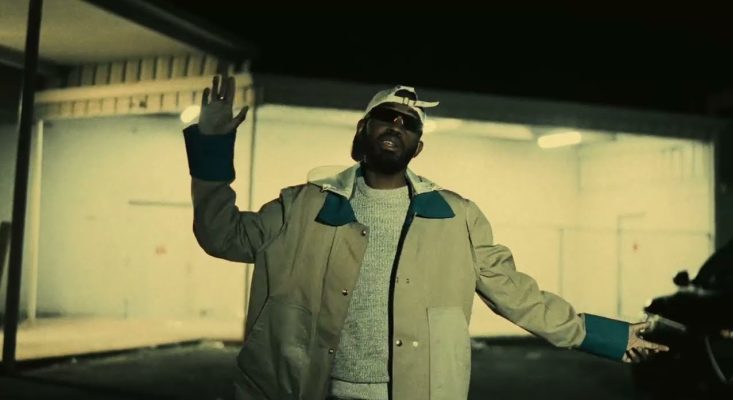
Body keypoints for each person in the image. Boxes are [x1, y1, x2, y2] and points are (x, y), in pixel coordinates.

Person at [182, 73, 669, 400]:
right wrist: (212, 145)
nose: (397, 125)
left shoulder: (456, 218)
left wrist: (607, 336)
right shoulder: (302, 206)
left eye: (409, 123)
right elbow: (221, 235)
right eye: (386, 117)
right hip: (311, 390)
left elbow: (518, 295)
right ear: (362, 130)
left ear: (418, 146)